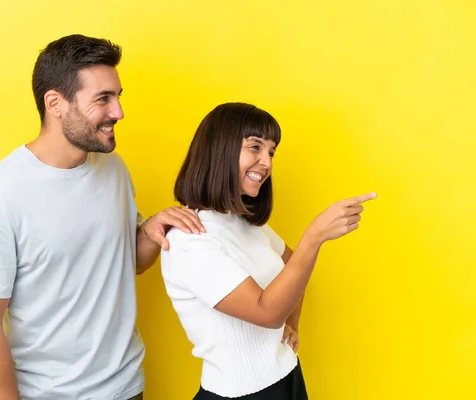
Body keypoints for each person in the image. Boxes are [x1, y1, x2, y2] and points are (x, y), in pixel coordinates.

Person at [0, 34, 203, 400]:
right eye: (103, 99)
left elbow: (125, 263)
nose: (118, 112)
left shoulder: (114, 169)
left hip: (127, 386)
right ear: (55, 103)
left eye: (118, 96)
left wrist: (150, 232)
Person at [160, 102, 376, 399]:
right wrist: (313, 238)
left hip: (287, 377)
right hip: (242, 394)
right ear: (219, 149)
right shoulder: (189, 240)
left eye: (271, 152)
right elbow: (267, 312)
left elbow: (293, 273)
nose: (267, 163)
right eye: (255, 147)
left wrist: (294, 322)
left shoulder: (246, 224)